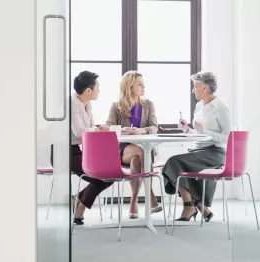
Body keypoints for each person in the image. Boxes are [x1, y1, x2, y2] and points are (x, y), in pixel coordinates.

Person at [162, 71, 231, 222]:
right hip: (199, 151)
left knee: (174, 162)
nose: (193, 90)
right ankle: (199, 207)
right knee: (175, 166)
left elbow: (227, 138)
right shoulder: (199, 106)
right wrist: (187, 129)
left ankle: (190, 206)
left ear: (205, 88)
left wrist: (204, 131)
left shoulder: (220, 108)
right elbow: (199, 133)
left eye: (195, 86)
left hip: (215, 153)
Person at [51, 71, 113, 225]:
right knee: (101, 177)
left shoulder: (87, 104)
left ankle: (77, 199)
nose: (99, 89)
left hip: (77, 151)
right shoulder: (71, 103)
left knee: (109, 174)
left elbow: (90, 128)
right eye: (97, 87)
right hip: (63, 152)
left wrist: (99, 128)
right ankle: (81, 207)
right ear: (88, 90)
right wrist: (96, 130)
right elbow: (80, 132)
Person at [106, 70, 161, 219]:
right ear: (129, 87)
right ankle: (150, 196)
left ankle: (133, 201)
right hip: (124, 150)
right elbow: (108, 127)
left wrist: (141, 131)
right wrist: (123, 130)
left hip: (144, 150)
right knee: (140, 151)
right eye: (139, 84)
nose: (144, 86)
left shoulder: (148, 104)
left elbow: (154, 127)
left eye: (143, 83)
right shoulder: (116, 106)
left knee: (138, 158)